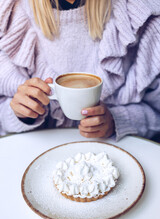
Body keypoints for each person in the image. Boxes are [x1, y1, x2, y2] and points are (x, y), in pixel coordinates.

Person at [0, 0, 160, 141]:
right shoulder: (9, 14)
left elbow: (156, 115)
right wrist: (22, 114)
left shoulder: (140, 13)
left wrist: (117, 121)